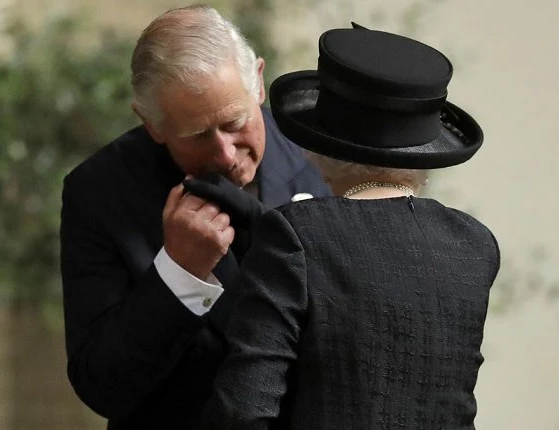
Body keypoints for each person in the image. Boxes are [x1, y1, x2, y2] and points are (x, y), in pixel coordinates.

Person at [189, 24, 501, 429]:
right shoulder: (474, 245)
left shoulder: (295, 234)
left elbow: (242, 412)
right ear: (426, 151)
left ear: (317, 146)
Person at [59, 5, 330, 429]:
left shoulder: (325, 156)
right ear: (153, 125)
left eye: (234, 121)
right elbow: (101, 386)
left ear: (258, 82)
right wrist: (179, 274)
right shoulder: (100, 191)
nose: (224, 152)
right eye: (198, 135)